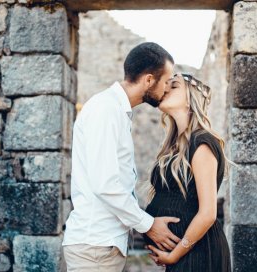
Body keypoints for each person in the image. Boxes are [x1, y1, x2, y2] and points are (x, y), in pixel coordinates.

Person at [62, 42, 181, 271]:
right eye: (166, 81)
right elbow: (105, 184)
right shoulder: (105, 110)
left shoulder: (116, 110)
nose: (166, 89)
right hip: (94, 248)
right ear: (148, 80)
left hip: (102, 246)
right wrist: (148, 225)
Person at [144, 73, 231, 271]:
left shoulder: (202, 144)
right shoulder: (173, 147)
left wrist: (174, 255)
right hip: (184, 255)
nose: (165, 89)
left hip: (199, 253)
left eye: (173, 85)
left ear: (190, 100)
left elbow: (208, 214)